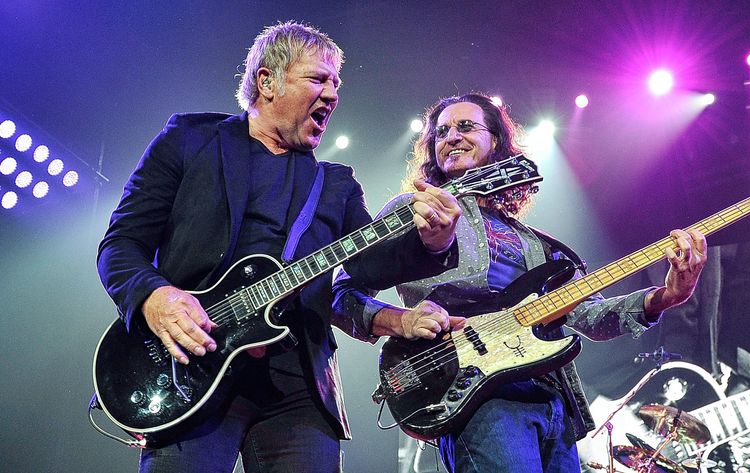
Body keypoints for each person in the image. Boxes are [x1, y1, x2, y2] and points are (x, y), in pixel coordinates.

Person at [96, 21, 461, 473]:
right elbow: (121, 244)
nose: (332, 93)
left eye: (336, 83)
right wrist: (154, 297)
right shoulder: (189, 140)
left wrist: (433, 240)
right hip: (187, 366)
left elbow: (368, 266)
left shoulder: (336, 184)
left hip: (298, 390)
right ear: (267, 82)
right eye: (318, 79)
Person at [332, 92, 708, 473]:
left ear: (495, 140)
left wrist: (667, 295)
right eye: (441, 132)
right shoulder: (412, 211)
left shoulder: (533, 241)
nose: (450, 137)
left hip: (552, 399)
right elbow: (341, 291)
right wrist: (400, 320)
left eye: (465, 126)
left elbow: (588, 317)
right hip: (477, 397)